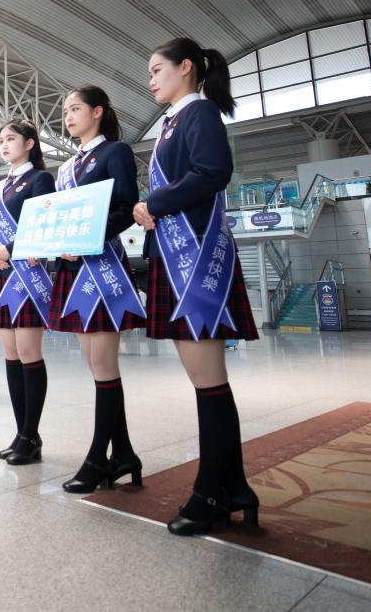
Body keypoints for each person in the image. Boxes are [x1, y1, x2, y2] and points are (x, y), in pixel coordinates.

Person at [134, 37, 260, 536]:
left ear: (186, 68)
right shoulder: (174, 122)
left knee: (209, 381)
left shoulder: (199, 114)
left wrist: (155, 204)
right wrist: (151, 208)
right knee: (205, 381)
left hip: (198, 258)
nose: (151, 81)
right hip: (174, 254)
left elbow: (214, 173)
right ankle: (231, 486)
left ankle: (214, 491)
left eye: (156, 70)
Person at [49, 86, 147, 493]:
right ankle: (122, 453)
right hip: (72, 267)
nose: (68, 116)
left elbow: (126, 207)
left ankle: (98, 459)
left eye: (75, 109)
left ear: (98, 112)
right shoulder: (66, 167)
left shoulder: (115, 153)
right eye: (66, 110)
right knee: (95, 367)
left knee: (105, 368)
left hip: (101, 265)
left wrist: (87, 238)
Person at [0, 120, 57, 462]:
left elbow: (43, 220)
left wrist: (8, 247)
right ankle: (22, 433)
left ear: (29, 143)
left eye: (11, 138)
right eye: (1, 140)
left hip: (25, 272)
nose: (4, 145)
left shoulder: (40, 179)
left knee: (28, 353)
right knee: (10, 355)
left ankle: (31, 435)